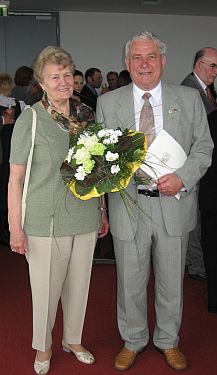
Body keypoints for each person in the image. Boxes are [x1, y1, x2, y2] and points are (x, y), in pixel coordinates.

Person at [96, 31, 213, 371]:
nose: (144, 64)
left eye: (150, 57)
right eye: (136, 58)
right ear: (126, 63)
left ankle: (167, 340)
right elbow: (101, 158)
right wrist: (105, 195)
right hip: (128, 205)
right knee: (129, 282)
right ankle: (133, 340)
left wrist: (183, 177)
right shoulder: (109, 102)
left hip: (174, 203)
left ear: (163, 61)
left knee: (170, 281)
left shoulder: (189, 99)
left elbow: (204, 148)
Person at [8, 46, 109, 375]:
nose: (64, 82)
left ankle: (72, 339)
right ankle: (44, 346)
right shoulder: (31, 118)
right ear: (41, 81)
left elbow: (97, 169)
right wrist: (15, 227)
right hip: (44, 220)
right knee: (46, 292)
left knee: (80, 285)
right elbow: (16, 179)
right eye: (56, 76)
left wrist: (102, 211)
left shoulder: (86, 115)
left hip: (84, 215)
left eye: (68, 75)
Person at [181, 47, 217, 280]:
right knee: (195, 218)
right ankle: (196, 266)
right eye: (213, 66)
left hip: (206, 165)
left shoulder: (204, 90)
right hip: (195, 164)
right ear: (199, 65)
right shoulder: (189, 89)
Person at [199, 107, 217, 316]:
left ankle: (215, 300)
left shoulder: (212, 119)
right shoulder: (212, 118)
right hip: (212, 198)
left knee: (213, 253)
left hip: (212, 198)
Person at [0, 73, 24, 245]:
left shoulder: (19, 104)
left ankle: (9, 226)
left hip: (14, 151)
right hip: (4, 150)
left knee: (10, 186)